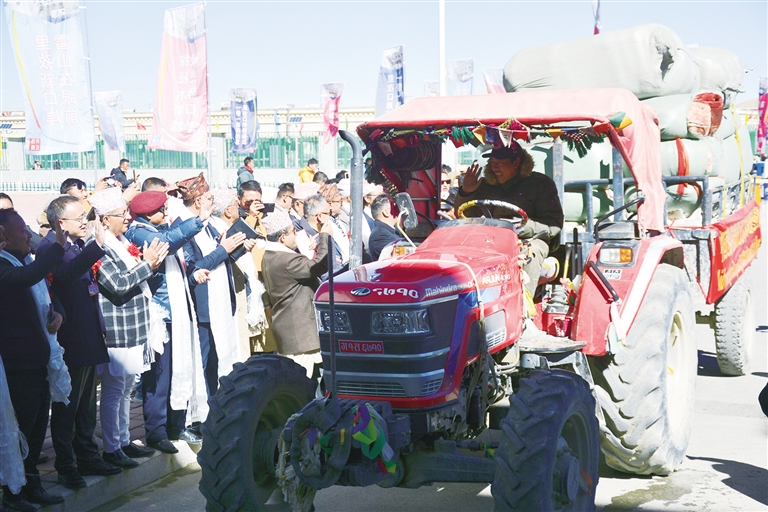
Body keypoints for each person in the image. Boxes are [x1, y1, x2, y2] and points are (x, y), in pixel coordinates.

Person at [39, 196, 121, 490]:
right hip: (70, 338)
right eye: (79, 219)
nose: (85, 223)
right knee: (67, 407)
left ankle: (87, 455)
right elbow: (62, 276)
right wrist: (96, 247)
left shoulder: (76, 245)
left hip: (87, 334)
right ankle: (66, 465)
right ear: (61, 223)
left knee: (86, 405)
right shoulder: (49, 248)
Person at [125, 187, 210, 454]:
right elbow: (166, 243)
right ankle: (156, 432)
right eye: (162, 209)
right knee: (159, 378)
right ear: (148, 214)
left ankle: (176, 425)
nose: (166, 212)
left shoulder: (157, 227)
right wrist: (196, 220)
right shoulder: (138, 232)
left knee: (180, 370)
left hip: (178, 312)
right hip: (160, 315)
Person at [89, 188, 168, 469]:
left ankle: (123, 441)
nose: (127, 217)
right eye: (121, 213)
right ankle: (112, 448)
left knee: (126, 389)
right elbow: (118, 283)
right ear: (104, 219)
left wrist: (149, 265)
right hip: (117, 328)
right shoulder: (98, 246)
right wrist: (148, 264)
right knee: (114, 390)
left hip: (133, 324)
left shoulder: (121, 241)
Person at [0, 210, 68, 510]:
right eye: (22, 230)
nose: (28, 235)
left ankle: (32, 485)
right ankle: (14, 492)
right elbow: (25, 278)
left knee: (38, 428)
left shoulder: (24, 260)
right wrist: (58, 246)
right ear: (3, 235)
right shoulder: (5, 265)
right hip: (16, 366)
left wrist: (58, 313)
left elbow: (46, 290)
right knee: (19, 430)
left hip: (37, 360)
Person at [455, 144, 564, 298]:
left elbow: (553, 224)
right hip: (492, 239)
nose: (495, 167)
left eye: (500, 163)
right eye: (493, 162)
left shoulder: (540, 184)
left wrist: (518, 227)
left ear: (516, 162)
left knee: (530, 253)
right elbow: (465, 216)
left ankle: (523, 304)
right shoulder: (484, 185)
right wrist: (466, 192)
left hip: (529, 239)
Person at [182, 188, 250, 396]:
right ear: (198, 202)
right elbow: (194, 268)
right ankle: (202, 406)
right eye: (210, 199)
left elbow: (221, 258)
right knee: (203, 361)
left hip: (219, 303)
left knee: (216, 360)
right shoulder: (184, 228)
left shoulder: (208, 226)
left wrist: (239, 248)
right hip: (203, 305)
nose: (214, 204)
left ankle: (217, 400)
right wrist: (223, 249)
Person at [261, 211, 332, 378]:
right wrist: (325, 237)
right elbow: (319, 266)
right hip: (299, 334)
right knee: (300, 382)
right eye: (293, 231)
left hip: (291, 330)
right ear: (282, 238)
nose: (296, 235)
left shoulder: (271, 255)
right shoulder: (287, 260)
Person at [296, 194, 344, 274]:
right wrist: (326, 238)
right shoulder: (302, 237)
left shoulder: (320, 231)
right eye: (329, 213)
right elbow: (328, 270)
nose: (330, 217)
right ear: (320, 216)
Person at [368, 194, 402, 261]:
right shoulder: (380, 235)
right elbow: (401, 255)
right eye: (395, 207)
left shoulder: (389, 231)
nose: (399, 210)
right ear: (386, 212)